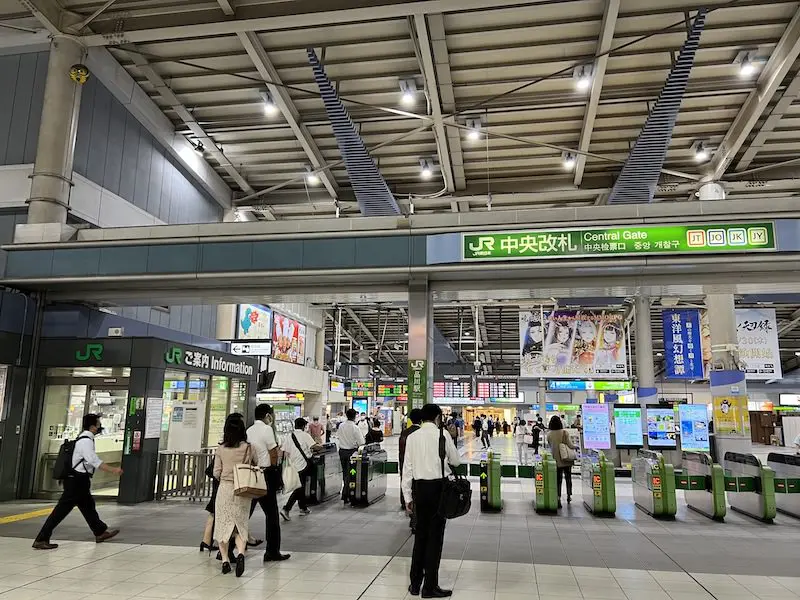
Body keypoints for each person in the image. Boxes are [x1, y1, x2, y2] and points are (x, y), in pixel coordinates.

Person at [33, 414, 122, 550]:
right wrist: (113, 470)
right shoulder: (85, 441)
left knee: (88, 506)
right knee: (61, 511)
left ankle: (99, 532)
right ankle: (41, 538)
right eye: (98, 424)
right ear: (93, 427)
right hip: (76, 481)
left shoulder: (85, 439)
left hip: (80, 479)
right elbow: (93, 461)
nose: (99, 427)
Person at [402, 403, 462, 598]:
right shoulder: (441, 435)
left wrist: (408, 497)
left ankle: (414, 583)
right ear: (437, 417)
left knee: (420, 536)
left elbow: (407, 470)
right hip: (438, 490)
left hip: (419, 490)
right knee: (435, 539)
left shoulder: (412, 437)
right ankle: (429, 587)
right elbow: (456, 461)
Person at [212, 414, 255, 577]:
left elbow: (216, 472)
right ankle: (241, 554)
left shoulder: (221, 449)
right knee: (240, 525)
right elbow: (257, 463)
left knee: (223, 525)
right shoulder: (249, 447)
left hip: (225, 489)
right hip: (243, 490)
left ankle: (224, 561)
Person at [247, 404, 290, 562]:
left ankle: (230, 547)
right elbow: (273, 453)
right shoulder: (266, 430)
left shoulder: (249, 430)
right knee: (271, 515)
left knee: (245, 513)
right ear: (267, 416)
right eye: (271, 415)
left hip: (252, 474)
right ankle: (272, 551)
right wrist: (274, 468)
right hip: (266, 475)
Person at [280, 418, 322, 521]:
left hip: (293, 466)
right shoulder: (305, 435)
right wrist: (320, 446)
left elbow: (284, 452)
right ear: (303, 426)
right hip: (303, 465)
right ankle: (286, 509)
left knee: (301, 486)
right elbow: (315, 447)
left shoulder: (289, 436)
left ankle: (303, 507)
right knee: (299, 488)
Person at [547, 415, 578, 508]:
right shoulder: (564, 432)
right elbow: (570, 445)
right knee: (568, 478)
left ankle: (558, 498)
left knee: (558, 480)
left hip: (556, 460)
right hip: (566, 459)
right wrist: (576, 447)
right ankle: (569, 496)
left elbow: (549, 445)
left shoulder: (549, 434)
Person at [399, 408, 423, 523]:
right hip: (418, 468)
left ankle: (405, 502)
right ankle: (415, 517)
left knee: (405, 484)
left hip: (405, 464)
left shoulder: (404, 433)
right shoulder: (420, 434)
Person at [338, 408, 365, 503]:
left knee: (345, 473)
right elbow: (362, 442)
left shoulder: (341, 426)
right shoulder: (355, 427)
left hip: (342, 452)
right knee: (352, 473)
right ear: (355, 416)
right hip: (352, 453)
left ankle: (345, 494)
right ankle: (348, 494)